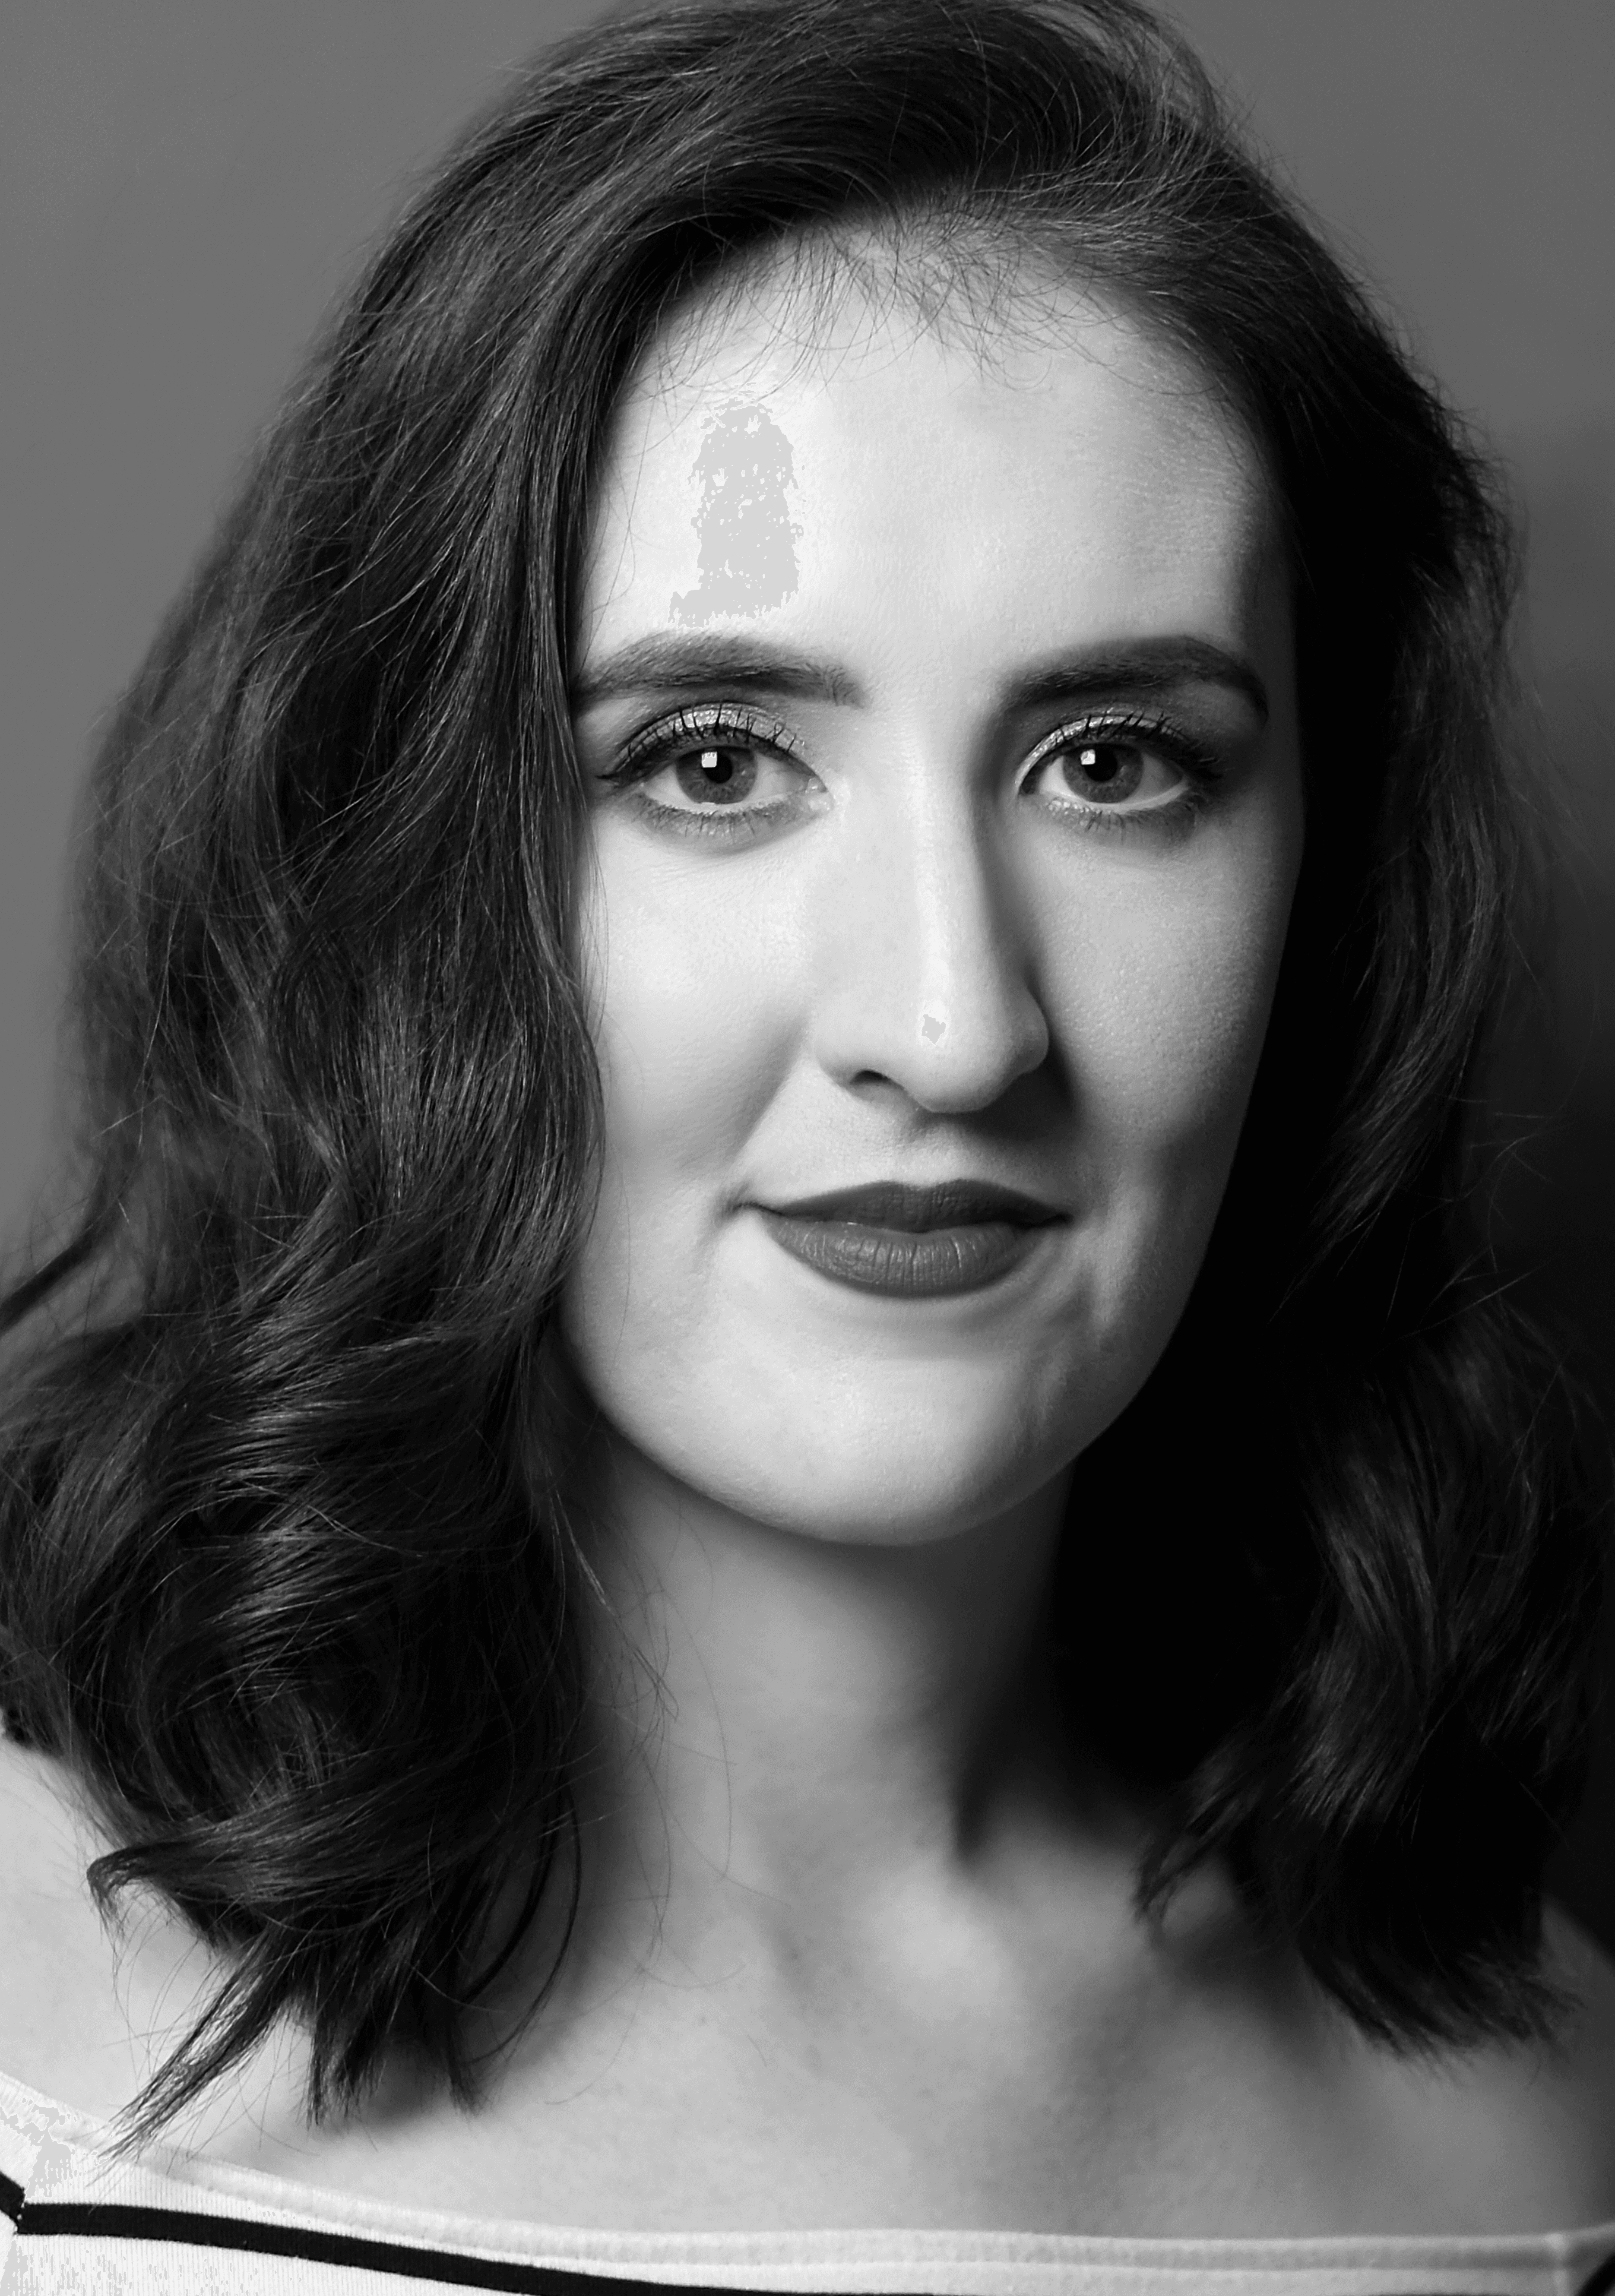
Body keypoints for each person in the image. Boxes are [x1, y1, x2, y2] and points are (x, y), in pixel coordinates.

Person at [1, 0, 1613, 2284]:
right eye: (716, 762)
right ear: (401, 871)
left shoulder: (1548, 2138)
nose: (951, 1028)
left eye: (1115, 763)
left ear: (1323, 892)